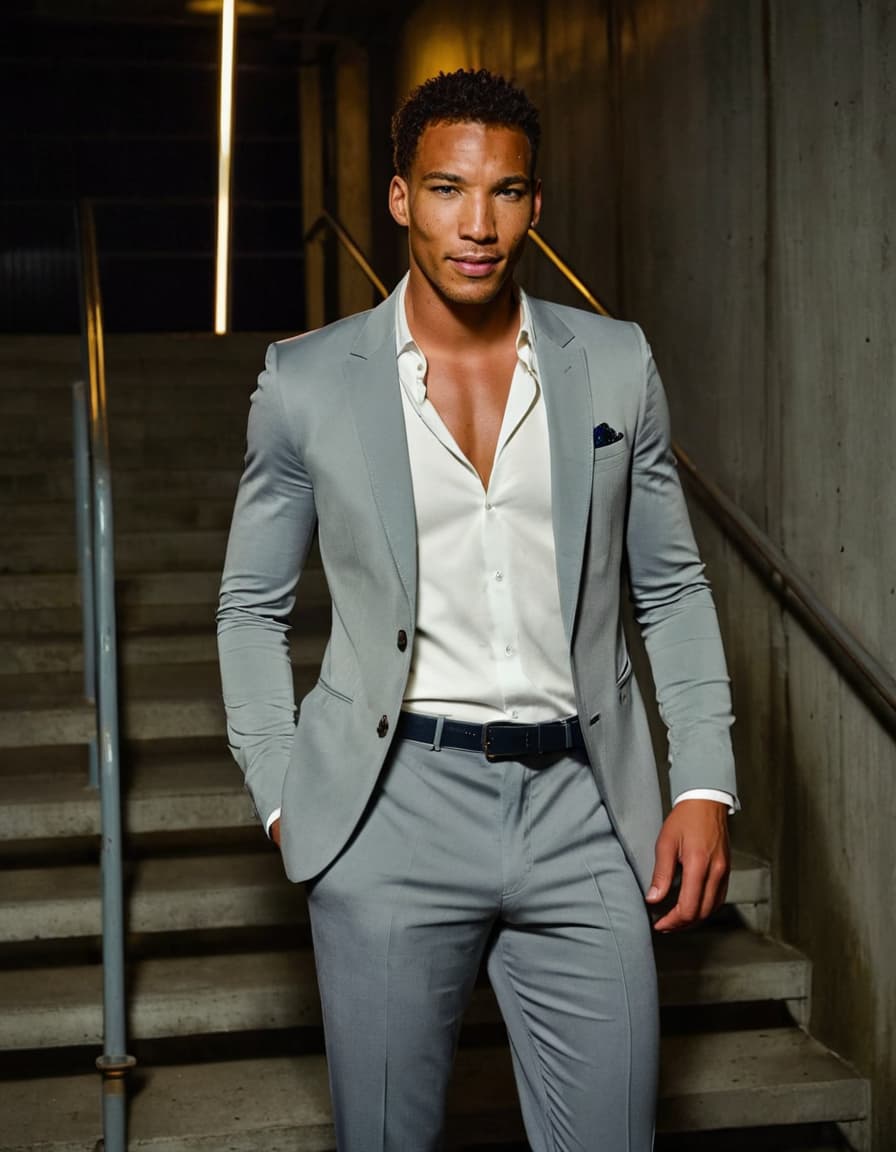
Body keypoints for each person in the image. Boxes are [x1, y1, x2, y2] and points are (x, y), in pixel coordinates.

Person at [218, 67, 737, 1152]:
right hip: (390, 806)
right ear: (400, 197)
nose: (476, 223)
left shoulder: (613, 362)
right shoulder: (305, 382)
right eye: (448, 189)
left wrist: (699, 781)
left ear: (534, 207)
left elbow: (673, 585)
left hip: (584, 813)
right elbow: (248, 610)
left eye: (503, 194)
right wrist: (285, 795)